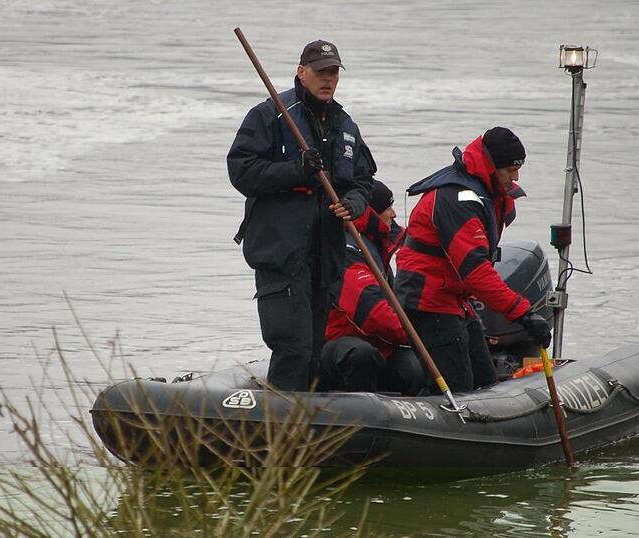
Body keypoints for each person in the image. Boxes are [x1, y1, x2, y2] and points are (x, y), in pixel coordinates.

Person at [227, 39, 376, 392]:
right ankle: (279, 436)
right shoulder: (270, 115)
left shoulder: (345, 124)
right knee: (292, 348)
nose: (328, 79)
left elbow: (363, 181)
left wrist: (352, 205)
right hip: (281, 254)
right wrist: (297, 169)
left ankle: (305, 434)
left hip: (324, 258)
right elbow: (242, 172)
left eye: (334, 73)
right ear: (301, 72)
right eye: (321, 72)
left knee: (311, 352)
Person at [394, 127, 551, 393]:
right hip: (428, 302)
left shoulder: (482, 191)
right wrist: (523, 314)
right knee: (457, 389)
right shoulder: (457, 198)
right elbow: (476, 270)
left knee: (485, 382)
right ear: (491, 166)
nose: (515, 178)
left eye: (518, 169)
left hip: (454, 300)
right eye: (510, 170)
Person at [319, 180, 425, 395]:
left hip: (379, 344)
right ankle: (359, 416)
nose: (394, 214)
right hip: (336, 344)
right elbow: (372, 312)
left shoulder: (375, 247)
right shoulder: (346, 249)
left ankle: (403, 417)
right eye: (387, 208)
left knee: (413, 368)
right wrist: (419, 335)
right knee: (359, 354)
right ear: (372, 214)